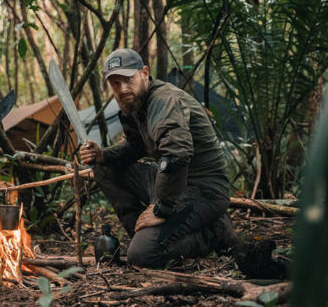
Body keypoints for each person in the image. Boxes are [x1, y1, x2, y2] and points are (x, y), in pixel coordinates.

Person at [79, 48, 237, 268]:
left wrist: (162, 208)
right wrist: (102, 155)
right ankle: (145, 232)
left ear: (145, 72)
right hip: (170, 181)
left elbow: (177, 154)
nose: (123, 88)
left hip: (204, 189)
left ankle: (214, 233)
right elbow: (135, 148)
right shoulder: (132, 104)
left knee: (142, 256)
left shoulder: (163, 101)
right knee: (103, 167)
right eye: (115, 83)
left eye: (128, 79)